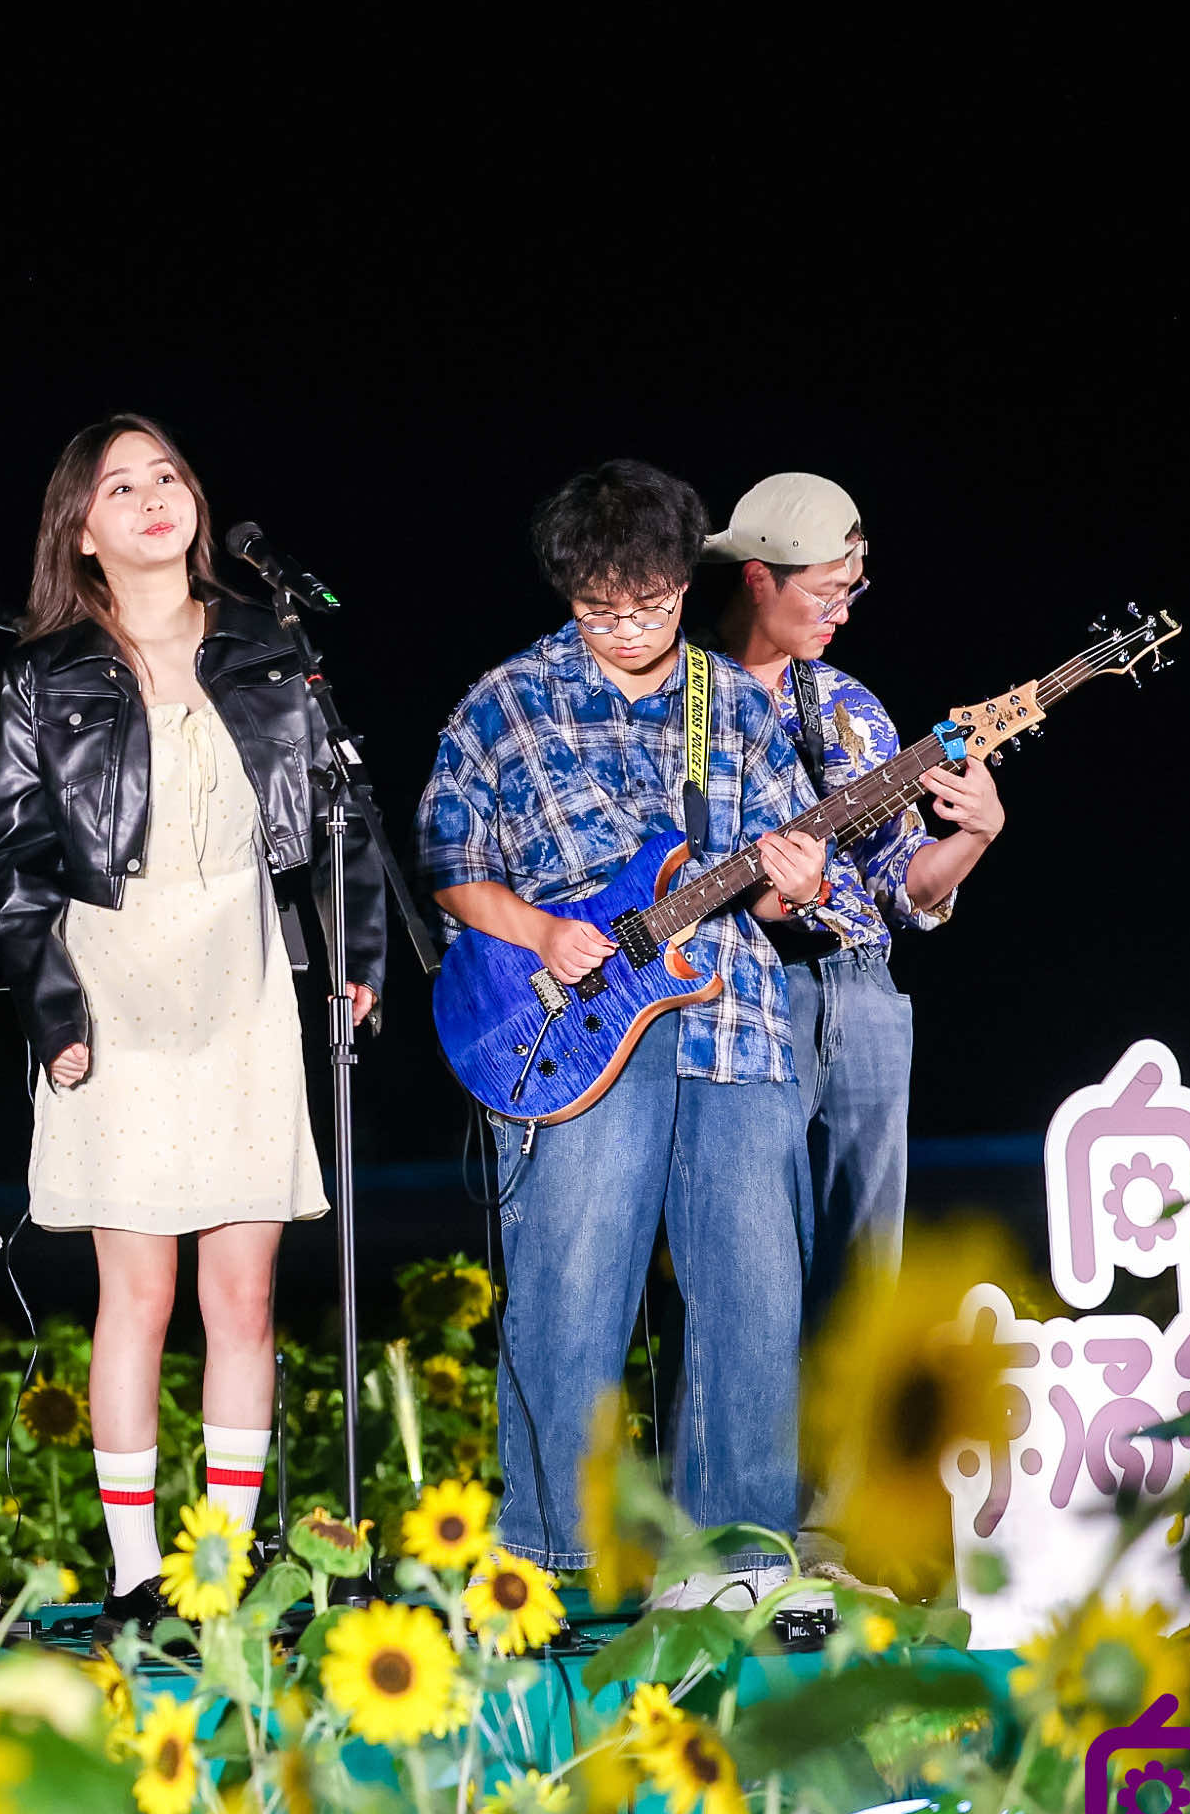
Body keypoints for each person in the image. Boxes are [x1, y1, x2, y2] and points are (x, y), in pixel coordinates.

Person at [0, 415, 381, 1622]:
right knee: (137, 1291)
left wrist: (356, 953)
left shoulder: (269, 645)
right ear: (83, 528)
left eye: (168, 476)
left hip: (243, 965)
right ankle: (134, 1568)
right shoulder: (44, 672)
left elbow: (337, 815)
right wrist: (53, 1006)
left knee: (245, 1291)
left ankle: (222, 1561)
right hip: (114, 969)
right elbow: (15, 866)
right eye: (122, 484)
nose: (154, 497)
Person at [416, 461, 826, 1616]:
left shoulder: (737, 703)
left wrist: (794, 878)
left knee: (755, 1289)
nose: (632, 626)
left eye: (652, 603)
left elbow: (779, 896)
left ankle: (739, 1559)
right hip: (568, 1025)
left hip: (733, 1021)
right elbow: (452, 871)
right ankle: (553, 1557)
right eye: (605, 607)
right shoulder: (502, 704)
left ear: (685, 585)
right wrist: (542, 930)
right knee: (568, 1285)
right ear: (569, 593)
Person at [697, 473, 1002, 1340]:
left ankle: (843, 1479)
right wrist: (762, 897)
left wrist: (976, 835)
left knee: (865, 1288)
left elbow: (904, 884)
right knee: (747, 1279)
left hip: (865, 997)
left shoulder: (846, 703)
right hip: (748, 997)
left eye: (852, 591)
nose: (843, 612)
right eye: (828, 592)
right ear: (760, 578)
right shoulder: (677, 695)